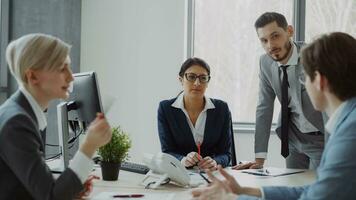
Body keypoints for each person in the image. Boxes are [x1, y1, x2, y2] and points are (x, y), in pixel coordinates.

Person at [191, 32, 356, 200]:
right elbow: (314, 190)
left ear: (320, 81)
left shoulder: (350, 133)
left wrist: (230, 199)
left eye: (304, 78)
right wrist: (244, 191)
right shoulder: (348, 120)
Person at [0, 33, 112, 200]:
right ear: (33, 76)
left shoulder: (20, 113)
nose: (70, 76)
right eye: (61, 68)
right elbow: (51, 197)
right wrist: (89, 146)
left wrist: (68, 185)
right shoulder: (17, 123)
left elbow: (31, 185)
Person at [235, 12, 324, 170]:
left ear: (289, 31)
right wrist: (259, 159)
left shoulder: (313, 55)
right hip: (293, 139)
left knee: (319, 191)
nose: (270, 45)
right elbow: (264, 107)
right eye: (264, 40)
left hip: (321, 138)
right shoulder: (265, 63)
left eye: (275, 36)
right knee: (293, 187)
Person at [157, 57, 232, 169]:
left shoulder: (222, 109)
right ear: (181, 79)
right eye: (191, 77)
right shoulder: (166, 109)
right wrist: (182, 160)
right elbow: (167, 151)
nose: (197, 83)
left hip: (212, 175)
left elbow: (226, 154)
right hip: (181, 175)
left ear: (208, 82)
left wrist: (215, 162)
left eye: (203, 78)